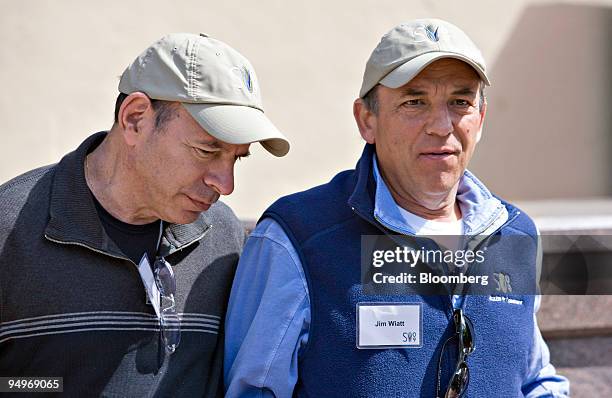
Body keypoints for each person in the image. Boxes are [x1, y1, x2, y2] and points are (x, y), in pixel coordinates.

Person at [224, 19, 569, 397]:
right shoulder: (297, 236)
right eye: (414, 101)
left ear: (481, 118)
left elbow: (534, 378)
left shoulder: (514, 235)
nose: (441, 125)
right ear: (366, 120)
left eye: (460, 101)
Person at [0, 33, 288, 397]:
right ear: (135, 119)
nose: (225, 184)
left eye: (237, 158)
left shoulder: (223, 235)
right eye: (206, 150)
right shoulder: (7, 228)